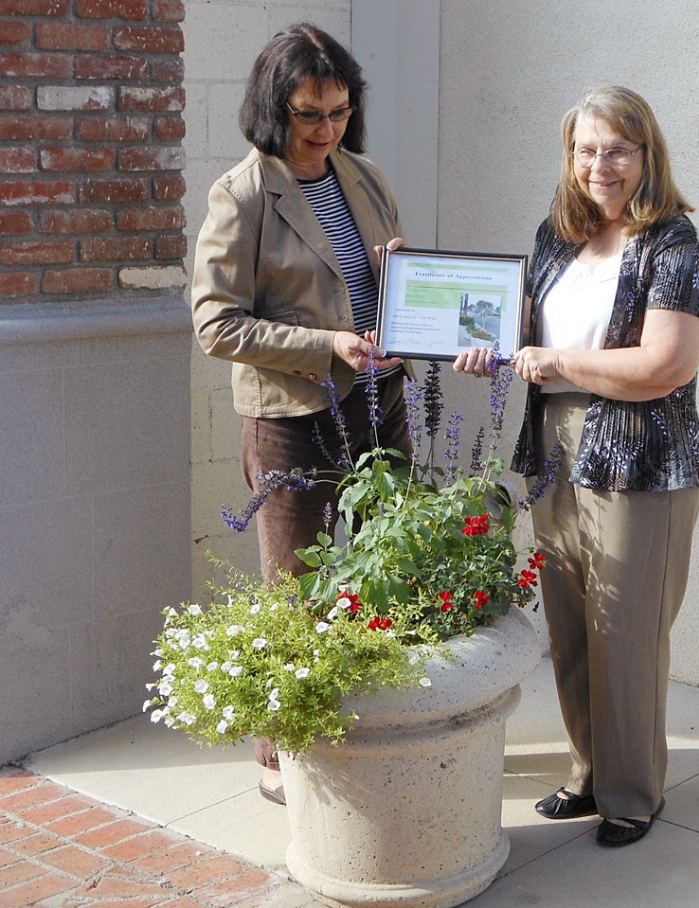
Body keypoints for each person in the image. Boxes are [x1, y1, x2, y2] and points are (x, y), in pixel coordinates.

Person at [455, 85, 699, 847]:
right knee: (571, 621)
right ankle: (589, 769)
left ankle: (633, 791)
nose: (599, 165)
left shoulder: (674, 246)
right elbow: (518, 332)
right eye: (585, 149)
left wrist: (556, 360)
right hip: (555, 447)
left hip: (641, 459)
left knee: (626, 631)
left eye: (616, 150)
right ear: (569, 158)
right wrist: (483, 345)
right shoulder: (555, 237)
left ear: (646, 156)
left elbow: (665, 364)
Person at [190, 23, 411, 806]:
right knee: (297, 597)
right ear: (272, 108)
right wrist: (328, 345)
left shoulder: (365, 175)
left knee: (397, 570)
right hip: (292, 413)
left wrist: (409, 313)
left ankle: (386, 724)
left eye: (339, 112)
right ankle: (280, 758)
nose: (324, 131)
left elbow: (390, 282)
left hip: (380, 401)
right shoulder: (242, 193)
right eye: (308, 115)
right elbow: (216, 322)